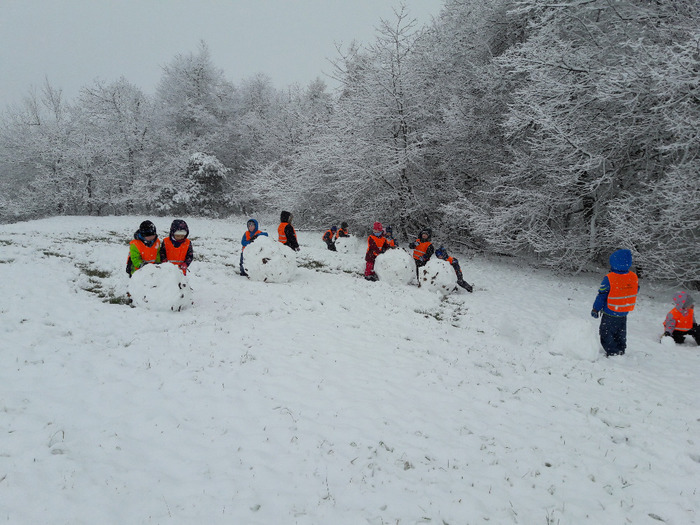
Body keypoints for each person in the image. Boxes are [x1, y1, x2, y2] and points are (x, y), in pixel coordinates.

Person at [591, 249, 639, 356]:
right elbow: (636, 290)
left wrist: (595, 309)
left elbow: (602, 295)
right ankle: (621, 348)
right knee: (621, 332)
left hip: (610, 312)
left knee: (606, 332)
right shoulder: (633, 276)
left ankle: (612, 351)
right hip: (624, 312)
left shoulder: (610, 278)